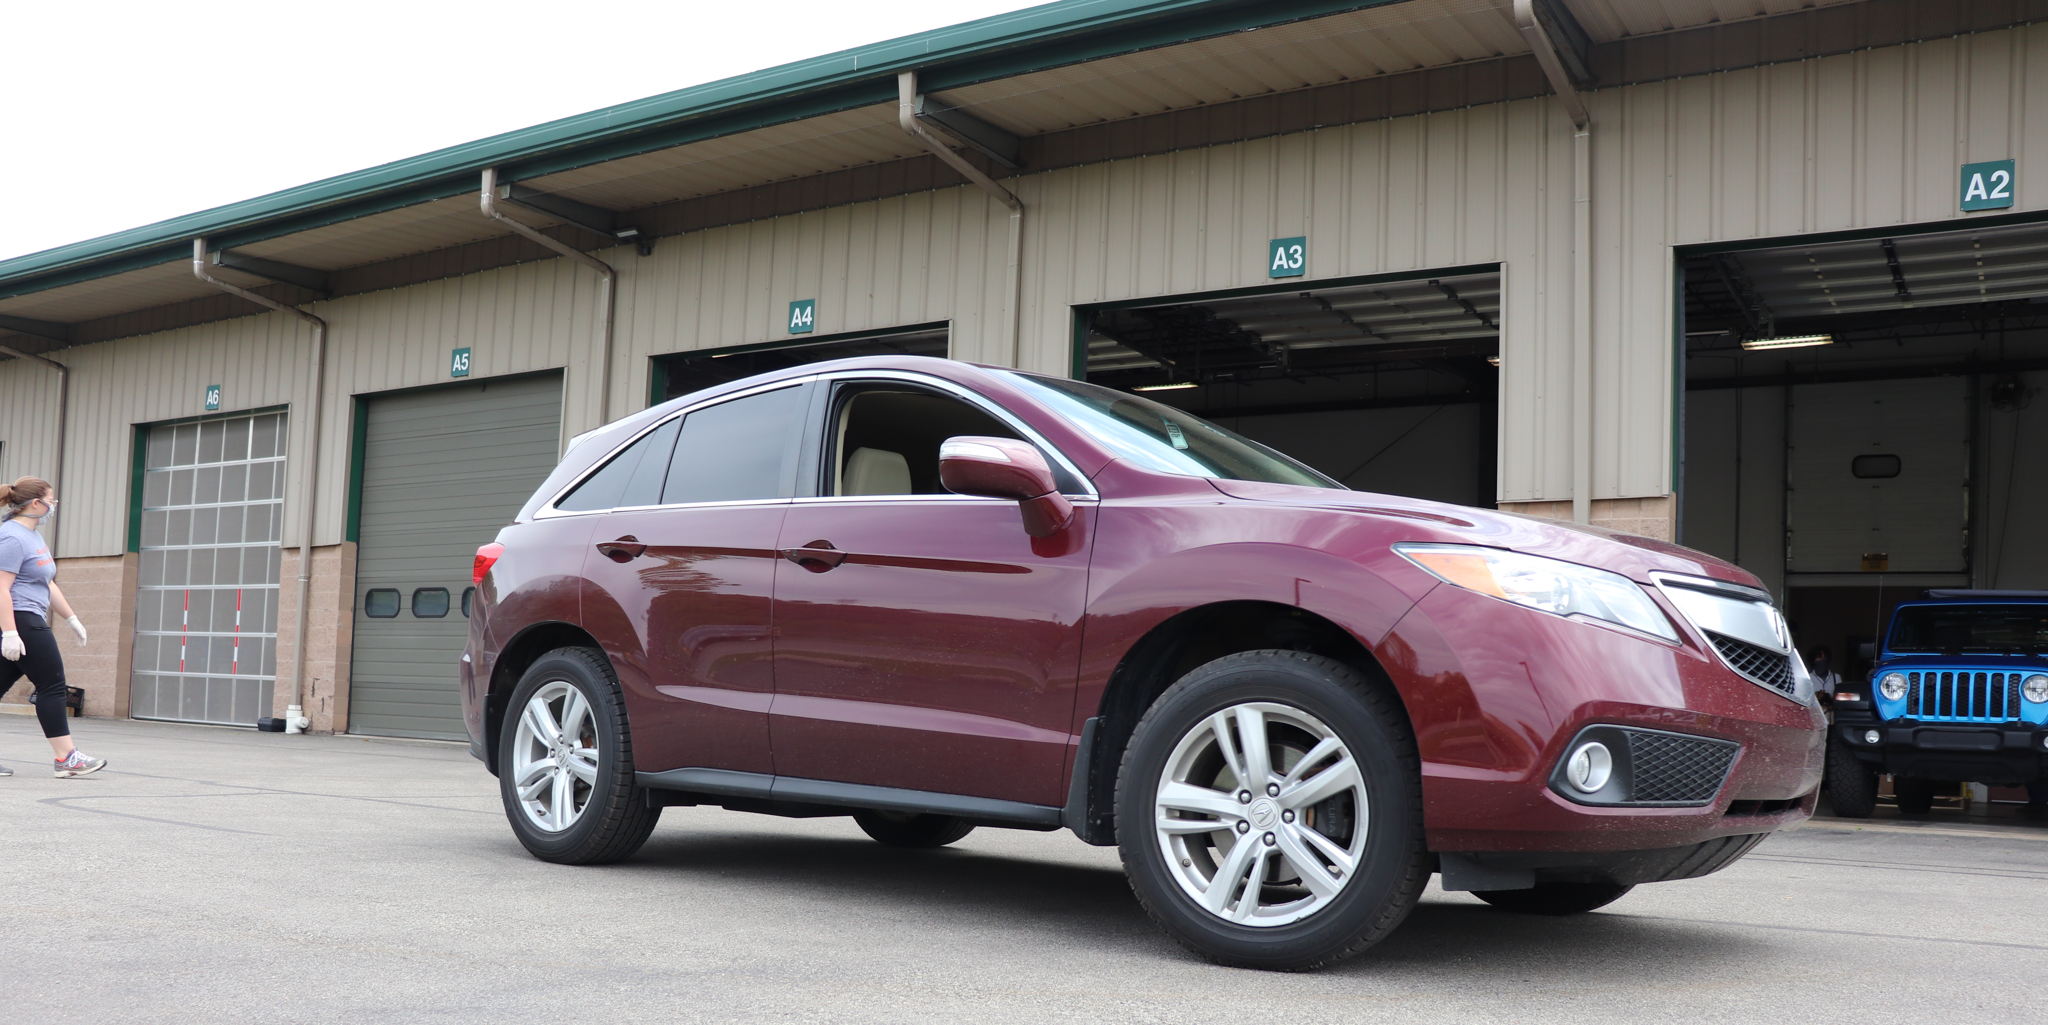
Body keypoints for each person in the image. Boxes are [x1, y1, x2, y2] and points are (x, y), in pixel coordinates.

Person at [0, 476, 106, 778]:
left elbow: (46, 581)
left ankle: (66, 757)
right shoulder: (12, 537)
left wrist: (72, 619)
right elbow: (1, 588)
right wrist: (9, 632)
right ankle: (66, 758)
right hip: (21, 619)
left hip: (26, 616)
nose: (53, 505)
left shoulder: (32, 536)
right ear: (36, 503)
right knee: (52, 685)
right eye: (51, 500)